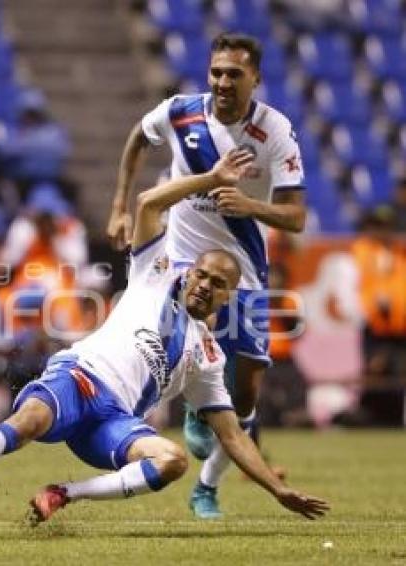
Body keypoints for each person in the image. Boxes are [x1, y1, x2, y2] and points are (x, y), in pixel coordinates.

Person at [0, 149, 328, 524]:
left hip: (114, 422)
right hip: (80, 378)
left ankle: (63, 493)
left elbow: (232, 435)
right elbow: (148, 202)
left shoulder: (209, 357)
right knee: (29, 421)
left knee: (173, 461)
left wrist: (277, 489)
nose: (204, 284)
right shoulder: (156, 273)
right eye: (201, 273)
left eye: (217, 283)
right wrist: (211, 179)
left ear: (228, 295)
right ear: (189, 271)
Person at [105, 32, 307, 518]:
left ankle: (207, 484)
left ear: (255, 78)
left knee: (248, 392)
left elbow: (296, 217)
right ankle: (142, 425)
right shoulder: (180, 111)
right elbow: (137, 138)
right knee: (171, 347)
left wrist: (249, 205)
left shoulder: (274, 131)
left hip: (243, 268)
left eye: (233, 74)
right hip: (182, 260)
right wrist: (120, 205)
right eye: (216, 72)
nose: (221, 82)